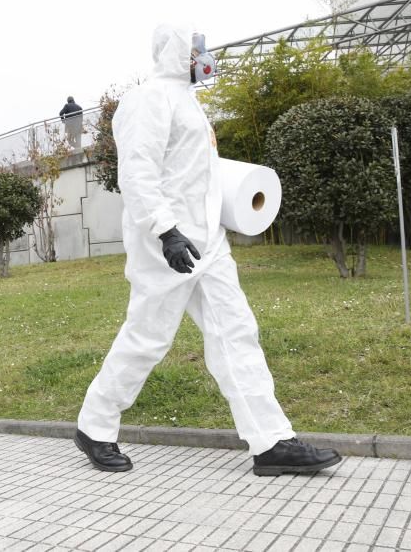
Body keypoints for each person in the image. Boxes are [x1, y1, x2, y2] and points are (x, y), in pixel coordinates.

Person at [74, 24, 342, 476]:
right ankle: (95, 427)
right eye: (199, 49)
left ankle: (271, 442)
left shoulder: (190, 103)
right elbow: (138, 174)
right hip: (168, 247)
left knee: (237, 331)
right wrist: (166, 232)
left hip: (208, 244)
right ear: (179, 52)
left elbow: (197, 173)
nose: (205, 56)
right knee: (147, 338)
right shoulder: (148, 99)